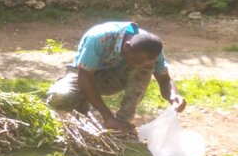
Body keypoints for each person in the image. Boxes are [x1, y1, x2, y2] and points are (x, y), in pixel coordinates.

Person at [46, 22, 186, 132]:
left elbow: (165, 80)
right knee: (59, 97)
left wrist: (174, 96)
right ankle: (85, 107)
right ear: (127, 47)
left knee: (145, 68)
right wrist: (107, 116)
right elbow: (84, 77)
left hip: (114, 79)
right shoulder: (99, 38)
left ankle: (124, 122)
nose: (137, 65)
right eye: (135, 61)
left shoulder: (152, 48)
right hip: (83, 75)